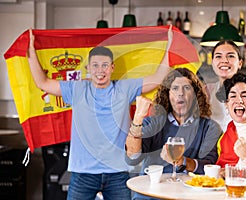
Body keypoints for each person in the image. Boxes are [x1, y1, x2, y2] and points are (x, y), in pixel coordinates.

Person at [27, 28, 173, 200]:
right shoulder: (77, 88)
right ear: (88, 68)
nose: (100, 70)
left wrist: (170, 43)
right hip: (83, 173)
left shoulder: (125, 87)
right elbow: (42, 83)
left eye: (105, 65)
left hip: (118, 173)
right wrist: (30, 48)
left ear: (112, 68)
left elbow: (159, 76)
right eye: (95, 65)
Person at [125, 68, 223, 200]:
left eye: (186, 88)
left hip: (188, 196)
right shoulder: (153, 123)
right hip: (150, 195)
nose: (180, 93)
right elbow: (132, 157)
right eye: (175, 88)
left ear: (195, 95)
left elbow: (210, 167)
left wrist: (182, 161)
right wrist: (138, 118)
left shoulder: (209, 128)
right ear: (168, 94)